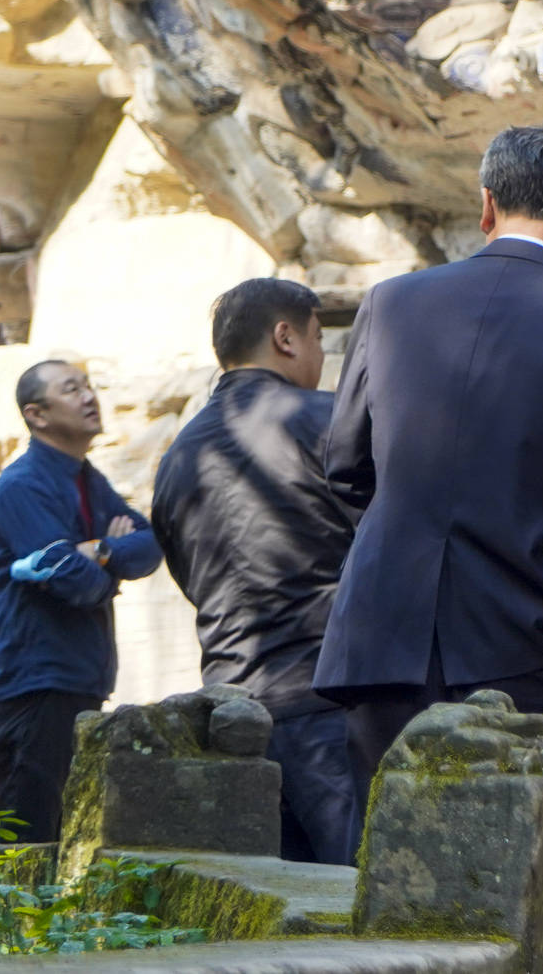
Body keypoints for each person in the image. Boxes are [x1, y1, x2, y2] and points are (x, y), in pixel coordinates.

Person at [317, 123, 543, 779]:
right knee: (513, 875)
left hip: (383, 644)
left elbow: (344, 462)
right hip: (532, 652)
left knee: (380, 871)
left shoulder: (390, 303)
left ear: (486, 204)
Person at [149, 276, 363, 862]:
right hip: (328, 703)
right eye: (320, 338)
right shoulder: (326, 422)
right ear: (285, 337)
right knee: (366, 911)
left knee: (266, 921)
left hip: (230, 713)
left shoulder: (178, 455)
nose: (322, 356)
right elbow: (389, 543)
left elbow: (189, 578)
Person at [0, 357, 159, 840]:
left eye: (88, 385)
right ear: (37, 414)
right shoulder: (22, 485)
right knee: (26, 851)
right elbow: (72, 581)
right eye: (72, 388)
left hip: (76, 683)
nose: (89, 396)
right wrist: (104, 569)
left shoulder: (87, 479)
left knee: (58, 846)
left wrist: (100, 550)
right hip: (35, 690)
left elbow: (151, 545)